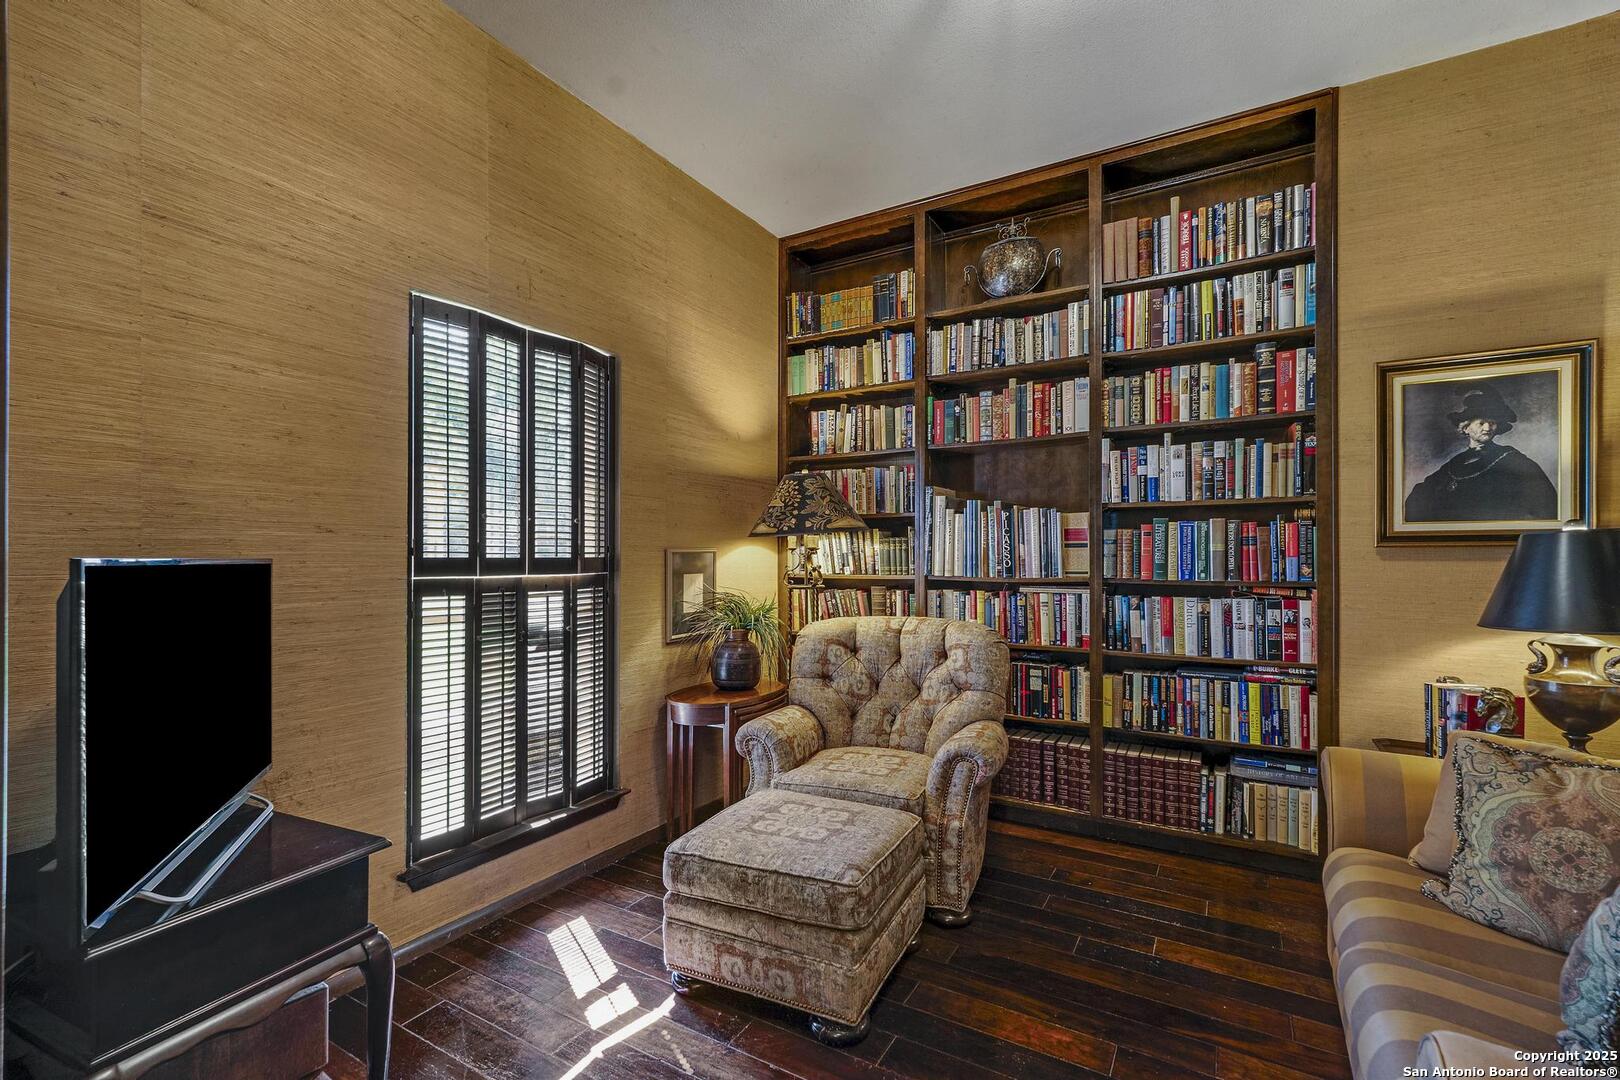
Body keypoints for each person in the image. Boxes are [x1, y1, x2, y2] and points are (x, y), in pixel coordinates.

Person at [1404, 383, 1558, 522]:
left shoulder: (1511, 458)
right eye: (1481, 423)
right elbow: (1418, 498)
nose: (1487, 428)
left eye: (1492, 423)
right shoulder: (1455, 463)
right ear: (1465, 428)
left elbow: (1544, 499)